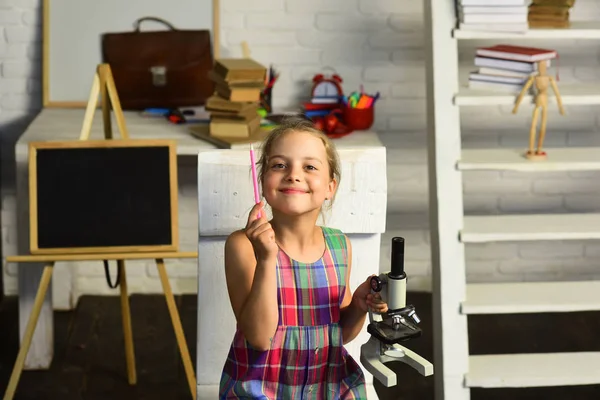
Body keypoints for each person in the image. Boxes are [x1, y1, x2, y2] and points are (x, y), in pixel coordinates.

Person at [219, 116, 388, 399]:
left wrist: (357, 307)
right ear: (262, 181)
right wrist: (266, 259)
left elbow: (338, 336)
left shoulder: (338, 245)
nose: (293, 174)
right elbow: (260, 339)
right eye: (279, 165)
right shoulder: (244, 245)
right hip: (263, 391)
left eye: (309, 166)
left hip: (329, 387)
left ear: (330, 187)